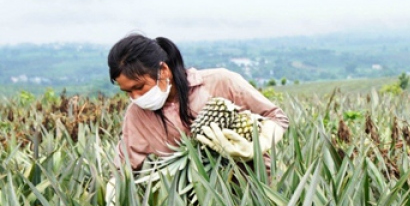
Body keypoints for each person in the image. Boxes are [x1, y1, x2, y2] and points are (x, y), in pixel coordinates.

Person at [108, 34, 289, 170]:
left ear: (163, 70)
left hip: (258, 190)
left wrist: (255, 147)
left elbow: (275, 117)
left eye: (139, 86)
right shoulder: (136, 114)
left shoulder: (220, 81)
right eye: (128, 92)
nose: (136, 97)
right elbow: (124, 168)